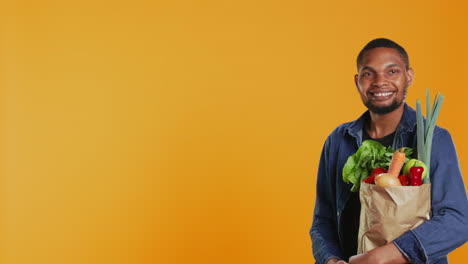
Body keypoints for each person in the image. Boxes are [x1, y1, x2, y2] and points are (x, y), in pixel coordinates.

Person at [309, 38, 468, 264]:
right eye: (368, 74)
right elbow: (322, 221)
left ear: (408, 76)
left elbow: (457, 221)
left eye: (392, 71)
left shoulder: (433, 140)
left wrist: (384, 256)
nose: (380, 82)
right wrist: (331, 260)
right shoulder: (338, 140)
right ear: (357, 81)